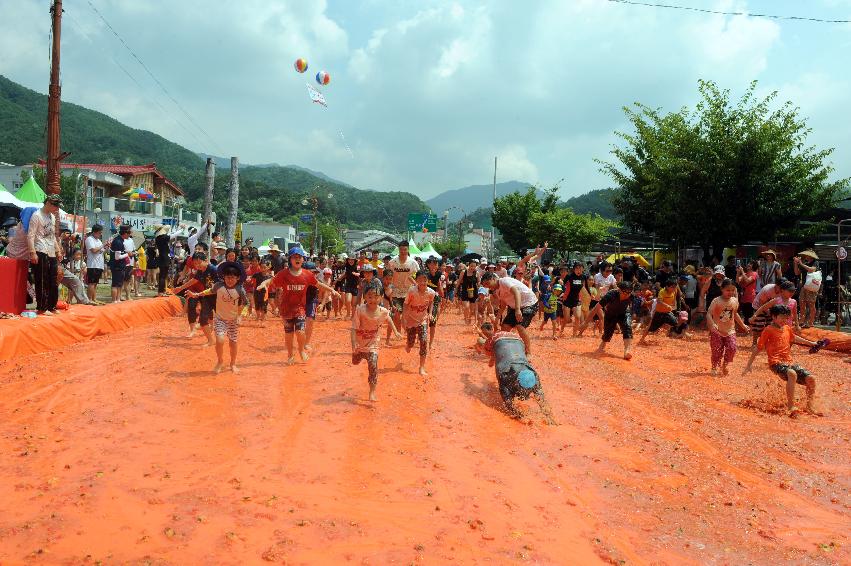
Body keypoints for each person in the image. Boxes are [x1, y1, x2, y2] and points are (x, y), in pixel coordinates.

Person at [257, 247, 340, 363]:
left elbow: (319, 285)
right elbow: (271, 280)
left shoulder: (307, 275)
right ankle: (290, 355)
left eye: (299, 257)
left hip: (300, 308)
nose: (297, 259)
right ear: (290, 259)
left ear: (303, 260)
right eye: (294, 257)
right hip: (286, 309)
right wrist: (264, 283)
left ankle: (301, 350)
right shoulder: (283, 274)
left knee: (300, 332)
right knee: (289, 334)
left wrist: (332, 290)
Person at [748, 304, 826, 417]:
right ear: (774, 317)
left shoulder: (787, 328)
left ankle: (810, 406)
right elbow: (758, 348)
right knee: (792, 373)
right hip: (775, 363)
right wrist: (749, 365)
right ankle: (791, 406)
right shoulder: (768, 330)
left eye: (786, 318)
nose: (784, 320)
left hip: (789, 362)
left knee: (811, 379)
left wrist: (812, 343)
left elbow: (794, 338)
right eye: (781, 317)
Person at [481, 326, 555, 423]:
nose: (524, 395)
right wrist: (519, 416)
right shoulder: (505, 376)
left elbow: (541, 400)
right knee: (491, 353)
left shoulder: (534, 376)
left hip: (516, 341)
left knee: (501, 355)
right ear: (516, 383)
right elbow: (509, 404)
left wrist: (548, 416)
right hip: (509, 341)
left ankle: (492, 355)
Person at [187, 261, 247, 373]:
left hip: (233, 320)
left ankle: (233, 363)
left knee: (233, 342)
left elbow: (245, 303)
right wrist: (196, 295)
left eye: (233, 278)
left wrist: (239, 316)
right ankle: (220, 361)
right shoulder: (219, 286)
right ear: (223, 277)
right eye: (228, 277)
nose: (230, 280)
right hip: (220, 319)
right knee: (220, 340)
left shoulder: (240, 289)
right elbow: (209, 291)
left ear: (238, 278)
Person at [351, 284, 402, 401]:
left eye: (376, 297)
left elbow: (388, 318)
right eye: (369, 297)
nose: (373, 300)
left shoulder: (383, 311)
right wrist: (354, 343)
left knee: (373, 365)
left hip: (373, 343)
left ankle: (372, 392)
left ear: (381, 297)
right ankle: (357, 355)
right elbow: (353, 328)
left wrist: (396, 331)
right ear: (365, 297)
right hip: (360, 343)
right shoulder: (360, 310)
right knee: (355, 361)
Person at [480, 269, 540, 356]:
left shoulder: (504, 281)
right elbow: (503, 303)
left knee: (520, 326)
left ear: (493, 279)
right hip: (515, 306)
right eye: (485, 285)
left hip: (529, 303)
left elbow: (517, 293)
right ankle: (506, 349)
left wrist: (518, 310)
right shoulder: (496, 290)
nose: (487, 287)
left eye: (487, 283)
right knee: (504, 327)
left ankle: (528, 352)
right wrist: (497, 318)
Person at [579, 280, 634, 360]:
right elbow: (595, 309)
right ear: (619, 290)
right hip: (610, 314)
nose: (627, 295)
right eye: (624, 293)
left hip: (624, 313)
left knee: (627, 328)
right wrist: (585, 322)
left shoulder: (631, 296)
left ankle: (627, 351)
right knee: (607, 333)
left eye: (629, 293)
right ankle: (603, 343)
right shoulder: (610, 295)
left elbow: (630, 305)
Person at [27, 195, 64, 315]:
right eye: (55, 205)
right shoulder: (36, 215)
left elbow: (52, 235)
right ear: (48, 203)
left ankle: (51, 305)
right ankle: (42, 307)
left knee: (53, 280)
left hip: (51, 250)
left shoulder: (52, 217)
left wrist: (58, 250)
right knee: (42, 279)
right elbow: (30, 235)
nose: (57, 209)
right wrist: (32, 252)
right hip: (40, 249)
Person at [171, 252, 218, 346]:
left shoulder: (214, 269)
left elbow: (218, 287)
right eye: (195, 264)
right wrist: (180, 288)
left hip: (219, 297)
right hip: (207, 297)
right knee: (203, 320)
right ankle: (211, 340)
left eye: (199, 263)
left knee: (225, 320)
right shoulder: (200, 271)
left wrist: (197, 294)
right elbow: (193, 281)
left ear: (206, 260)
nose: (197, 265)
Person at [707, 278, 749, 376]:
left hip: (730, 330)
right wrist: (712, 324)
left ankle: (725, 365)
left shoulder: (734, 301)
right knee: (716, 350)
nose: (730, 292)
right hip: (717, 331)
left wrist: (743, 325)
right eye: (728, 290)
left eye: (732, 290)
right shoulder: (716, 301)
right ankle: (714, 367)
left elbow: (735, 313)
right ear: (722, 289)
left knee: (732, 348)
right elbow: (709, 313)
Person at [401, 270, 437, 376]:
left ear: (428, 281)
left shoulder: (431, 292)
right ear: (416, 280)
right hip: (411, 320)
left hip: (423, 320)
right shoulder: (412, 291)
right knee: (410, 344)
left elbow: (431, 302)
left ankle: (421, 367)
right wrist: (404, 318)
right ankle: (408, 344)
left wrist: (430, 313)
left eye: (425, 280)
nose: (422, 282)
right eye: (420, 280)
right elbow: (406, 304)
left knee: (424, 341)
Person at [386, 241, 419, 343]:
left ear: (408, 249)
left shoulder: (413, 263)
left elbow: (417, 277)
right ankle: (390, 338)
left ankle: (415, 336)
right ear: (398, 250)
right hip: (395, 292)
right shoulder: (392, 262)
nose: (403, 251)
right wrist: (388, 288)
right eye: (401, 249)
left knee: (409, 316)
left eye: (405, 249)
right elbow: (388, 276)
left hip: (408, 293)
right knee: (394, 314)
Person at [638, 279, 688, 344]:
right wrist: (667, 305)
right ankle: (642, 339)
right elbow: (659, 301)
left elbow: (676, 297)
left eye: (675, 287)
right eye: (672, 287)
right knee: (650, 328)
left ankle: (683, 333)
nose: (674, 288)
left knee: (676, 322)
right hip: (659, 313)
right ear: (667, 287)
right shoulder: (662, 291)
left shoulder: (675, 290)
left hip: (667, 313)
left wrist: (673, 305)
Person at [794, 250, 821, 328]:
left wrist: (801, 263)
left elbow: (812, 269)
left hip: (812, 286)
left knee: (811, 304)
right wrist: (796, 263)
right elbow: (797, 273)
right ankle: (802, 321)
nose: (806, 256)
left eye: (807, 255)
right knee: (802, 302)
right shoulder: (804, 264)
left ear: (811, 256)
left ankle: (811, 322)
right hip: (804, 286)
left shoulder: (815, 262)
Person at [560, 262, 587, 336]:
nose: (579, 270)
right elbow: (563, 285)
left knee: (577, 317)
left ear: (583, 269)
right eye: (577, 268)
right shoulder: (569, 276)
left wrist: (590, 296)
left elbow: (586, 288)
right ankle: (561, 330)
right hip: (567, 300)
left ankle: (574, 334)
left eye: (580, 269)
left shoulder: (583, 277)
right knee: (567, 319)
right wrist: (561, 283)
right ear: (574, 269)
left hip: (577, 300)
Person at [109, 225, 134, 304]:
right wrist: (128, 254)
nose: (130, 234)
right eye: (129, 232)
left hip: (121, 266)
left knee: (120, 284)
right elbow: (117, 257)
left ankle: (118, 299)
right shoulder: (118, 241)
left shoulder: (121, 240)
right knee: (115, 284)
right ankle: (114, 300)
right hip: (117, 266)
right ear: (125, 233)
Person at [424, 257, 444, 348]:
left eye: (436, 264)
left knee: (433, 321)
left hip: (435, 298)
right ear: (428, 265)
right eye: (432, 264)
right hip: (424, 298)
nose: (434, 266)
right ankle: (421, 337)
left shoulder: (439, 274)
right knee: (423, 320)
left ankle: (431, 343)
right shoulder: (425, 274)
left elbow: (439, 285)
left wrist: (442, 297)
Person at [84, 224, 106, 302]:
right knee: (91, 283)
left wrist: (106, 247)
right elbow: (93, 250)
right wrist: (103, 245)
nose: (101, 234)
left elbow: (101, 251)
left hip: (99, 264)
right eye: (100, 232)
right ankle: (89, 299)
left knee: (95, 283)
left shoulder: (98, 240)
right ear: (94, 232)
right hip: (92, 264)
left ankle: (94, 298)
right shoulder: (89, 239)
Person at [252, 259, 273, 324]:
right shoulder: (257, 274)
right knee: (257, 306)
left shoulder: (269, 276)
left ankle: (263, 320)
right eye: (261, 267)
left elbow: (272, 282)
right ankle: (258, 318)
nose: (263, 269)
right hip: (257, 293)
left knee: (264, 306)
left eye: (264, 267)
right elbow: (251, 278)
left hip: (264, 294)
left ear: (268, 267)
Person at [154, 225, 171, 296]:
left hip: (161, 258)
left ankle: (161, 291)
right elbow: (173, 235)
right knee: (163, 276)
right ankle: (161, 292)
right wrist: (181, 229)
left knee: (162, 275)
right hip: (164, 258)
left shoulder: (158, 238)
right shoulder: (163, 237)